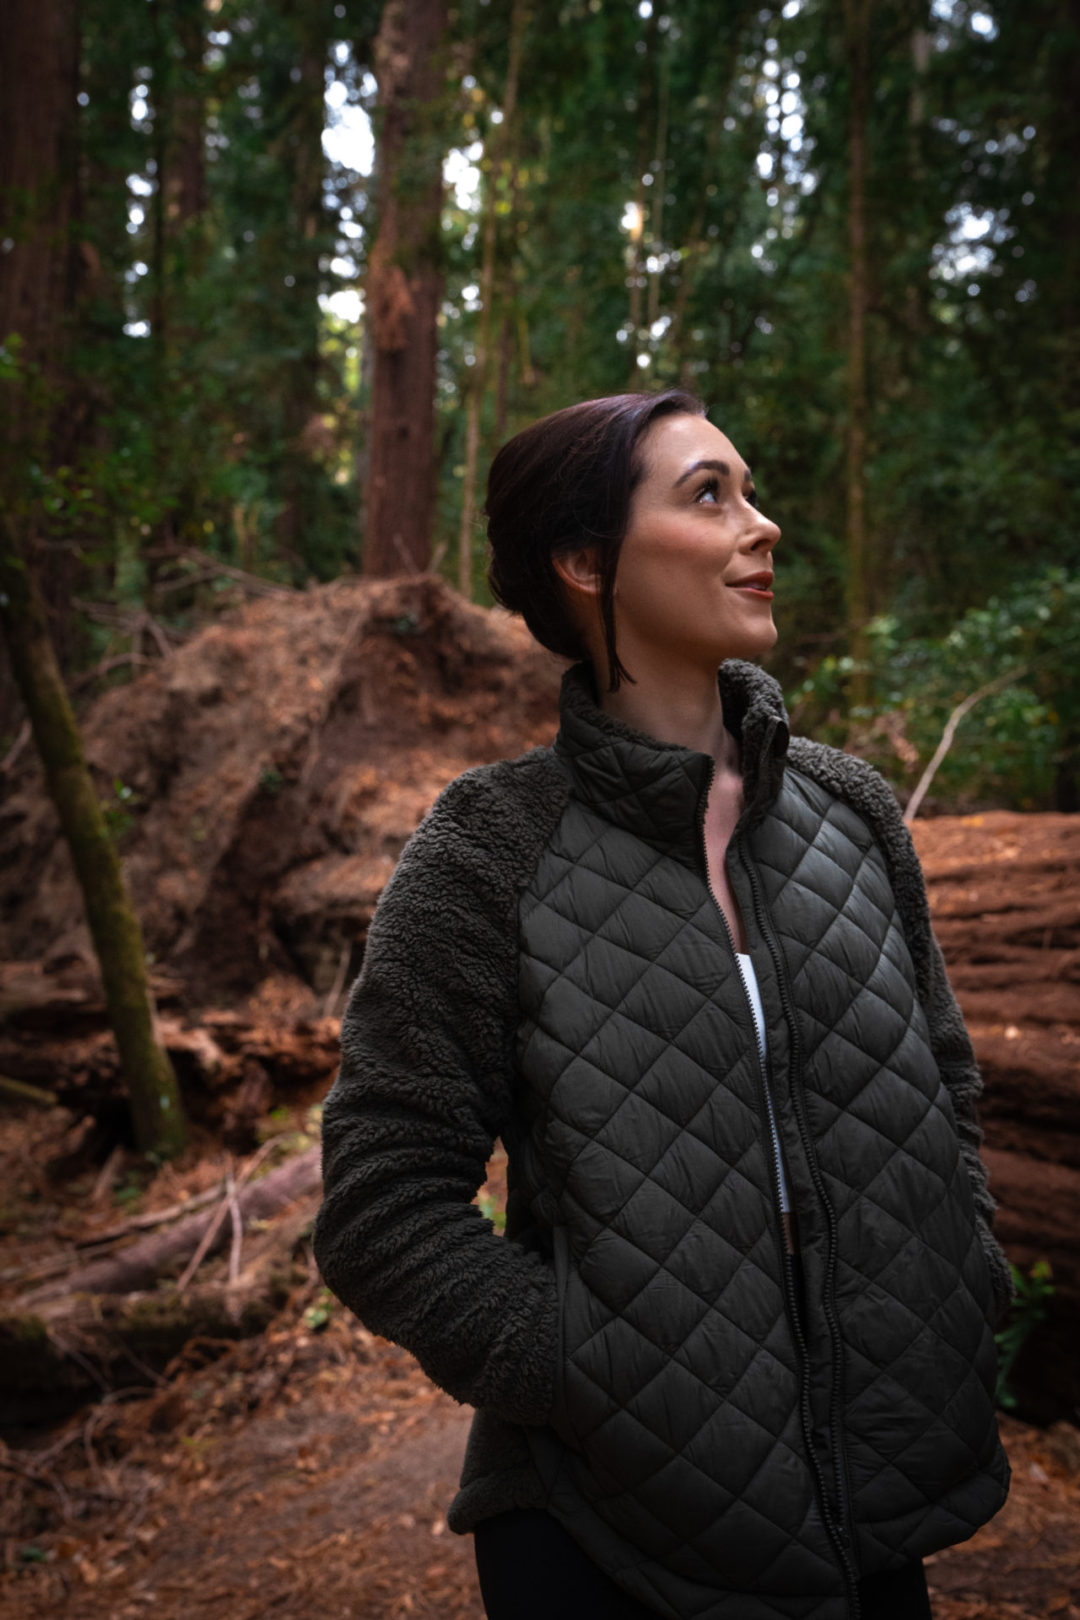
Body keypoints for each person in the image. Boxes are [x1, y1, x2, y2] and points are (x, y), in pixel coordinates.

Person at [312, 389, 1012, 1620]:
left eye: (751, 491)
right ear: (586, 562)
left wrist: (965, 1280)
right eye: (709, 496)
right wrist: (588, 1366)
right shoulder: (487, 850)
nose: (763, 526)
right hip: (603, 1534)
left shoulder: (852, 814)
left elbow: (945, 1085)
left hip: (877, 1505)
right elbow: (382, 1197)